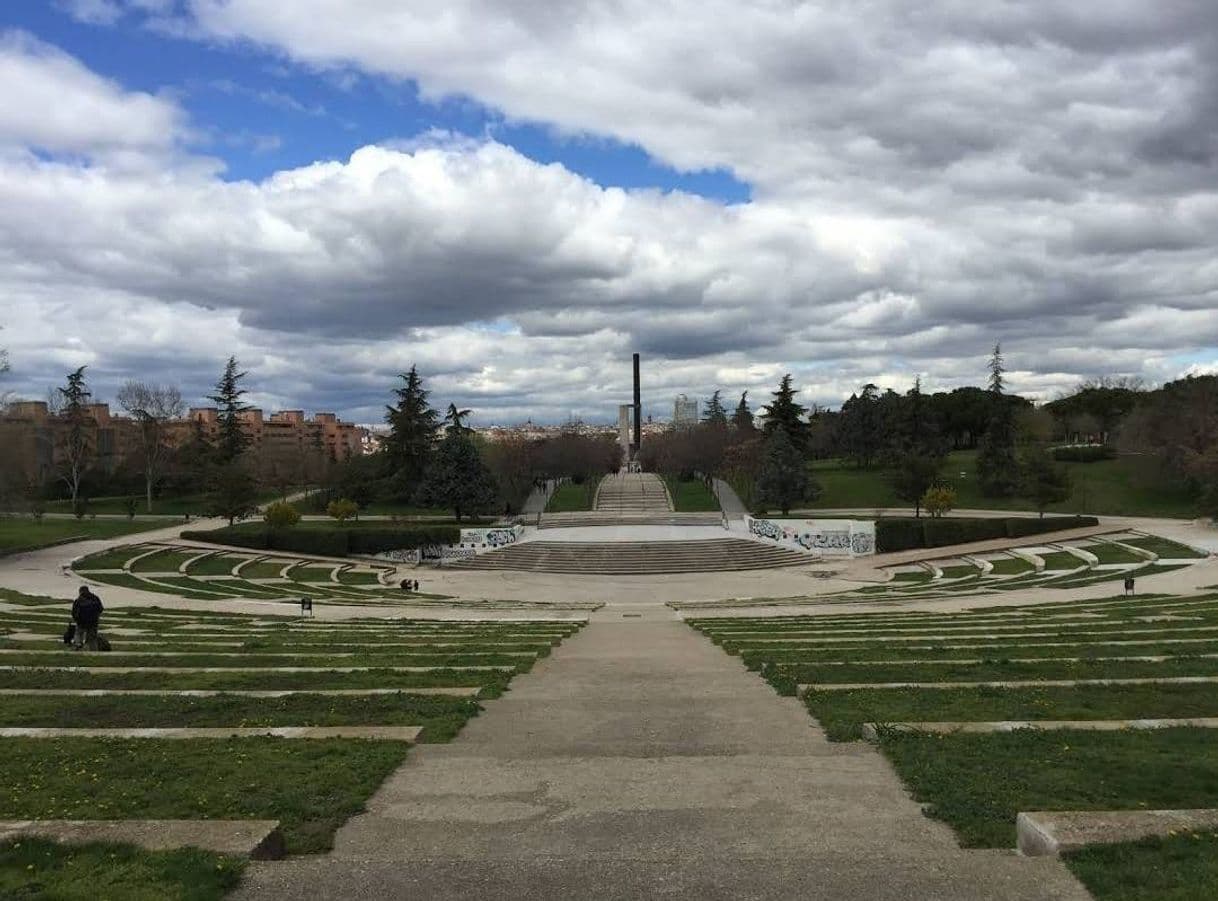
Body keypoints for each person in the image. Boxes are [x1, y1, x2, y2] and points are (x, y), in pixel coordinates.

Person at [70, 586, 103, 651]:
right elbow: (100, 609)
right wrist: (96, 616)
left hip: (81, 622)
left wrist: (76, 619)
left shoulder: (78, 600)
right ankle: (93, 650)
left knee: (78, 633)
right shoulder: (95, 598)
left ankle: (78, 644)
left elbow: (74, 612)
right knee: (92, 638)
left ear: (80, 591)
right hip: (93, 622)